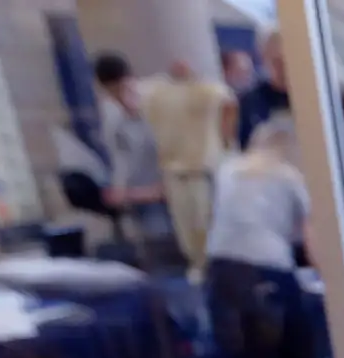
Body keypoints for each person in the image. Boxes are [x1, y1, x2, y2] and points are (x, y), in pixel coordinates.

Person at [205, 118, 321, 358]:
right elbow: (313, 242)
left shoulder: (228, 170)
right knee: (292, 353)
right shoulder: (290, 176)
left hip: (220, 268)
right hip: (267, 268)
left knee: (241, 355)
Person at [142, 61, 237, 271]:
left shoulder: (208, 90)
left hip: (201, 169)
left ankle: (213, 265)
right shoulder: (157, 93)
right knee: (185, 226)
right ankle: (198, 264)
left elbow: (229, 107)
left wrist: (226, 143)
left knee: (205, 221)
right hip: (173, 168)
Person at [93, 53, 179, 269]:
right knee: (158, 251)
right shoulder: (113, 115)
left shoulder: (158, 100)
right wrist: (120, 189)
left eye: (124, 89)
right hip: (144, 196)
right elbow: (120, 157)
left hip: (172, 191)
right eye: (114, 93)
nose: (122, 99)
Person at [236, 28, 291, 148]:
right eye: (277, 62)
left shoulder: (312, 100)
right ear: (264, 58)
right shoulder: (249, 103)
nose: (283, 69)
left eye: (287, 61)